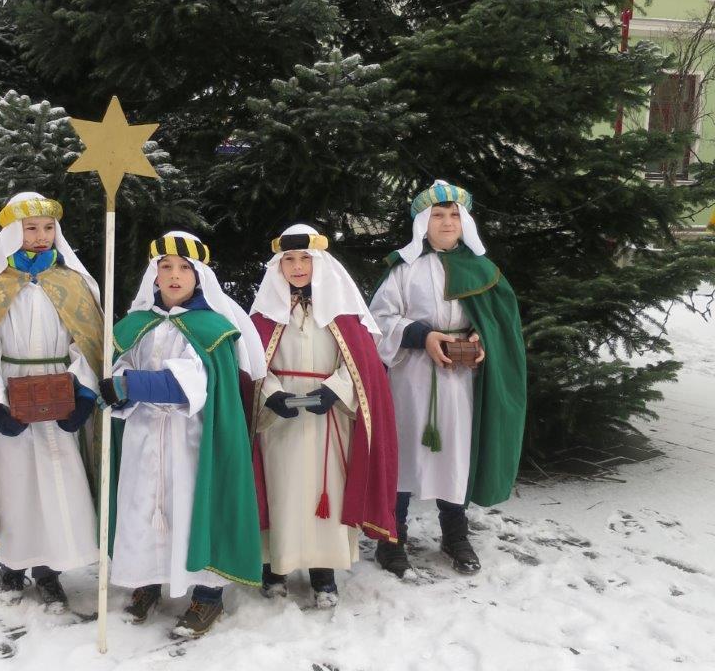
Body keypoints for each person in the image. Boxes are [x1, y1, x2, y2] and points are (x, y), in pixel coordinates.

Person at [0, 192, 104, 613]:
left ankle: (49, 572)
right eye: (31, 229)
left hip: (59, 400)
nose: (40, 236)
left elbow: (87, 343)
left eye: (48, 228)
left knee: (58, 488)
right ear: (13, 234)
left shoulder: (73, 285)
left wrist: (83, 393)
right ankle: (11, 568)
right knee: (14, 490)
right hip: (12, 400)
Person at [98, 231, 266, 639]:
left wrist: (129, 385)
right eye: (166, 267)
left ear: (199, 276)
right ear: (154, 275)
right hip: (143, 435)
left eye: (184, 268)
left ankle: (208, 596)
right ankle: (146, 581)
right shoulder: (134, 326)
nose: (174, 275)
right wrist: (113, 387)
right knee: (143, 507)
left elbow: (188, 384)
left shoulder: (213, 329)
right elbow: (116, 373)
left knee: (190, 510)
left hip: (191, 440)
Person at [369, 180, 526, 576]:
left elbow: (501, 324)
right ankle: (392, 539)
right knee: (403, 451)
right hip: (410, 376)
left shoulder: (483, 270)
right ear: (423, 222)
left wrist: (480, 339)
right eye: (437, 215)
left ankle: (456, 535)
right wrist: (423, 336)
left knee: (456, 451)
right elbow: (379, 320)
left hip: (460, 378)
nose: (447, 222)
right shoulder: (404, 268)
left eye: (454, 215)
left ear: (464, 221)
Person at [248, 224, 399, 607]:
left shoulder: (343, 314)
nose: (297, 267)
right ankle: (276, 566)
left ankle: (323, 572)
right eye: (289, 260)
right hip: (279, 424)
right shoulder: (264, 316)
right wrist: (271, 395)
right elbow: (251, 365)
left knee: (326, 492)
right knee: (281, 492)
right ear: (279, 266)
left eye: (305, 258)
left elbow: (363, 364)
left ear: (320, 262)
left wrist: (335, 390)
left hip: (329, 421)